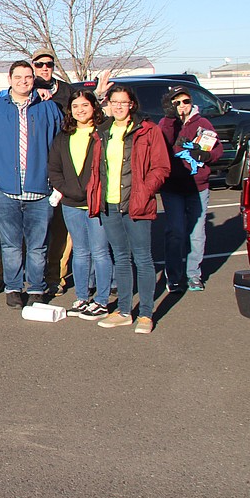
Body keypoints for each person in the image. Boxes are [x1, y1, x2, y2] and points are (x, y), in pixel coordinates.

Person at [0, 61, 63, 308]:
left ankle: (37, 288)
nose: (23, 81)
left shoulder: (48, 107)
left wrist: (54, 181)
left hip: (40, 189)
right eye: (18, 77)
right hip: (5, 190)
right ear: (9, 79)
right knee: (10, 245)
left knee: (38, 245)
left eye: (28, 77)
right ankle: (14, 287)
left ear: (34, 79)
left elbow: (60, 143)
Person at [95, 85, 171, 334]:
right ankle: (125, 310)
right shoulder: (103, 131)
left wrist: (145, 191)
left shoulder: (148, 130)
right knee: (121, 257)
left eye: (122, 102)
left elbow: (161, 167)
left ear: (132, 105)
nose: (118, 106)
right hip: (110, 204)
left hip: (136, 203)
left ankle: (146, 314)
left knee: (143, 258)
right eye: (113, 101)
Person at [46, 90, 112, 320]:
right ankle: (82, 297)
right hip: (71, 204)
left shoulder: (104, 133)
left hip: (97, 204)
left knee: (100, 252)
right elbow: (54, 168)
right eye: (75, 106)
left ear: (94, 107)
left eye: (84, 105)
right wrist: (66, 190)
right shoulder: (64, 136)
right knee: (81, 252)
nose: (80, 110)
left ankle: (102, 300)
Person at [158, 86, 223, 292]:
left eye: (185, 101)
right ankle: (174, 275)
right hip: (173, 187)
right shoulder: (167, 123)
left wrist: (207, 156)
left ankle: (194, 274)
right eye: (176, 102)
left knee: (197, 233)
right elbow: (163, 141)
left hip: (198, 186)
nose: (181, 106)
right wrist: (170, 118)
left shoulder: (202, 123)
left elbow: (217, 148)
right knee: (175, 231)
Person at [31, 49, 76, 295]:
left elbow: (85, 110)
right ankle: (5, 275)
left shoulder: (67, 91)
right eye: (40, 64)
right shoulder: (26, 89)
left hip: (64, 166)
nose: (44, 68)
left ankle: (55, 276)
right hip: (36, 168)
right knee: (30, 229)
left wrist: (99, 95)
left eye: (49, 64)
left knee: (60, 228)